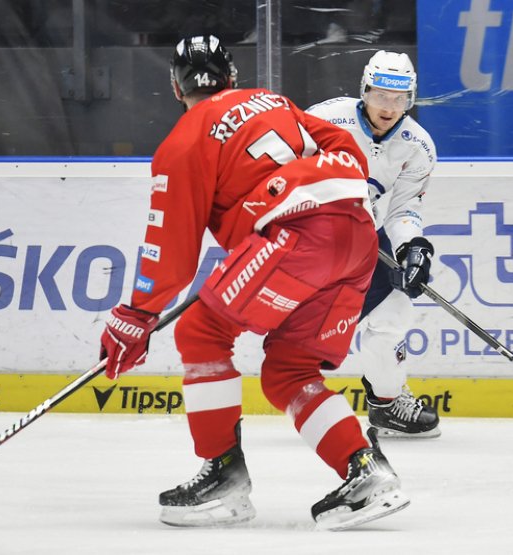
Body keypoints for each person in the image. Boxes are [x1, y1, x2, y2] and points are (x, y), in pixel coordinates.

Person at [98, 35, 410, 531]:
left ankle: (222, 476)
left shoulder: (182, 143)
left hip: (298, 237)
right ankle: (366, 470)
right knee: (289, 369)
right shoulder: (274, 101)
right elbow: (344, 146)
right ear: (232, 78)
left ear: (176, 89)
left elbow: (171, 253)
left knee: (199, 332)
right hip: (356, 238)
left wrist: (136, 316)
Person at [308, 51, 441, 438]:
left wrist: (412, 248)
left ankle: (386, 403)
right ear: (365, 90)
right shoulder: (324, 119)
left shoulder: (418, 146)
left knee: (395, 312)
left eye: (399, 99)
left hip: (368, 238)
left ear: (410, 100)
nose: (389, 107)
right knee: (295, 334)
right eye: (381, 95)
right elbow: (280, 164)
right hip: (311, 237)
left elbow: (404, 208)